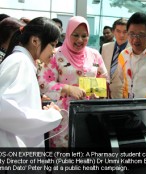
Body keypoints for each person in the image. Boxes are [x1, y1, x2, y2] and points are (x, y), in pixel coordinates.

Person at [37, 16, 108, 147]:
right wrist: (68, 89)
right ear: (68, 34)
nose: (80, 40)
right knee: (63, 158)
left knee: (87, 153)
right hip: (63, 115)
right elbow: (43, 84)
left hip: (89, 113)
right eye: (75, 35)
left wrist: (97, 93)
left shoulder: (94, 55)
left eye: (84, 36)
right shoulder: (56, 54)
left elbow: (102, 78)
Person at [0, 17, 62, 147]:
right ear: (35, 41)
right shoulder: (19, 62)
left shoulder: (21, 61)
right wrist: (50, 115)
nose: (54, 50)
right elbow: (4, 110)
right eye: (53, 44)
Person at [101, 18, 129, 98]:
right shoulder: (105, 47)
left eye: (125, 32)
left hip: (123, 98)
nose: (121, 35)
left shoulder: (133, 50)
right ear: (113, 32)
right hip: (104, 95)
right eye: (118, 31)